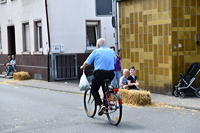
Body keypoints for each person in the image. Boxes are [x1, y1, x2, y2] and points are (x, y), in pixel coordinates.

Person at [80, 38, 115, 116]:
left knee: (94, 89)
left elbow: (87, 62)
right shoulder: (111, 51)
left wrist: (83, 67)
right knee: (105, 86)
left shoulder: (96, 51)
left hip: (100, 73)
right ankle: (107, 100)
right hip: (111, 74)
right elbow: (114, 61)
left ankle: (101, 105)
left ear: (98, 45)